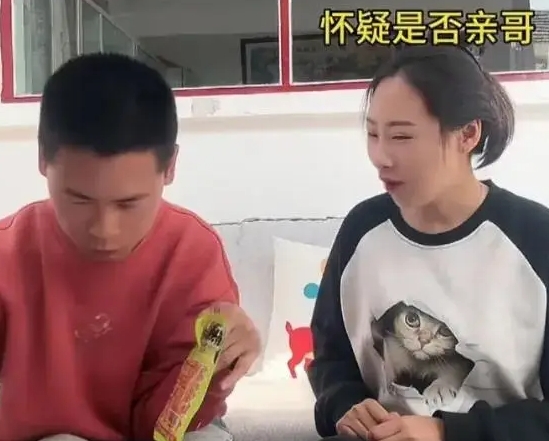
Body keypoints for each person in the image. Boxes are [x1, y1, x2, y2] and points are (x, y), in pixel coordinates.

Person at [0, 53, 260, 441]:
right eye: (79, 199)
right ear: (42, 159)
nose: (104, 230)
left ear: (169, 168)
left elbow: (164, 423)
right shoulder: (8, 255)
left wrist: (220, 365)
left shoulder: (191, 254)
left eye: (128, 204)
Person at [307, 44, 549, 441]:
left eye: (401, 136)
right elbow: (331, 360)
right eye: (373, 134)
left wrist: (443, 431)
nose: (381, 156)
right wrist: (346, 406)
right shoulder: (361, 230)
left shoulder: (536, 236)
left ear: (468, 134)